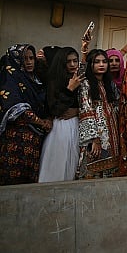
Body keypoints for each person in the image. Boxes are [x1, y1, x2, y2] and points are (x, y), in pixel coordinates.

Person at [0, 44, 51, 185]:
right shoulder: (9, 77)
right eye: (25, 58)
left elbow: (45, 104)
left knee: (30, 182)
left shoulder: (37, 80)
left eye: (31, 58)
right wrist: (42, 122)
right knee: (13, 180)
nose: (29, 62)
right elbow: (16, 108)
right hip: (16, 139)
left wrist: (48, 119)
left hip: (35, 139)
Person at [39, 47, 84, 182]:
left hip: (79, 124)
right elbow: (56, 109)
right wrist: (70, 89)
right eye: (68, 61)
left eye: (75, 61)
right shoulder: (54, 81)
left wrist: (77, 111)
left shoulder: (82, 79)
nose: (72, 65)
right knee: (58, 166)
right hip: (62, 127)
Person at [78, 49, 120, 179]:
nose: (101, 65)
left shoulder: (109, 83)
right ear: (91, 65)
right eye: (97, 62)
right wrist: (94, 138)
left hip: (112, 133)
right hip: (96, 135)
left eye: (104, 62)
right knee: (92, 169)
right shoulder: (86, 84)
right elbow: (86, 111)